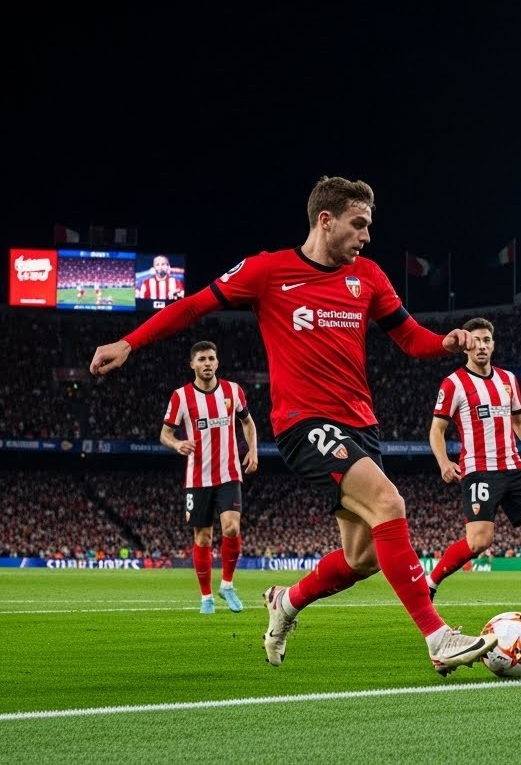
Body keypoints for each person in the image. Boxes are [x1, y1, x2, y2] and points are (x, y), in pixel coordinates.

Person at [90, 175, 496, 675]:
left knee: (363, 558)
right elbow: (194, 305)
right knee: (390, 502)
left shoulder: (368, 276)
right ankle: (438, 637)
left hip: (361, 425)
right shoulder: (268, 271)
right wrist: (129, 342)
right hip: (303, 422)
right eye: (358, 224)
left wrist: (444, 343)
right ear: (326, 221)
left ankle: (286, 601)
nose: (367, 236)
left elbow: (411, 339)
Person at [427, 317, 521, 621]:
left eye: (486, 340)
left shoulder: (508, 379)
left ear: (493, 345)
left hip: (513, 467)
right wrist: (443, 462)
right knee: (480, 541)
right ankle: (429, 583)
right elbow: (436, 429)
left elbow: (520, 422)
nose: (481, 346)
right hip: (479, 470)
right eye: (475, 341)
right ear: (466, 346)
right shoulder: (454, 383)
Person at [161, 340, 258, 614]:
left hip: (229, 473)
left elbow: (247, 422)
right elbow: (165, 434)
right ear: (192, 364)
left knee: (232, 528)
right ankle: (206, 597)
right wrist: (177, 444)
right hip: (197, 478)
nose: (207, 363)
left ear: (217, 362)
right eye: (202, 359)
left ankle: (227, 584)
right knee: (203, 538)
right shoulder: (181, 397)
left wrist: (253, 450)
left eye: (211, 358)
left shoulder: (232, 391)